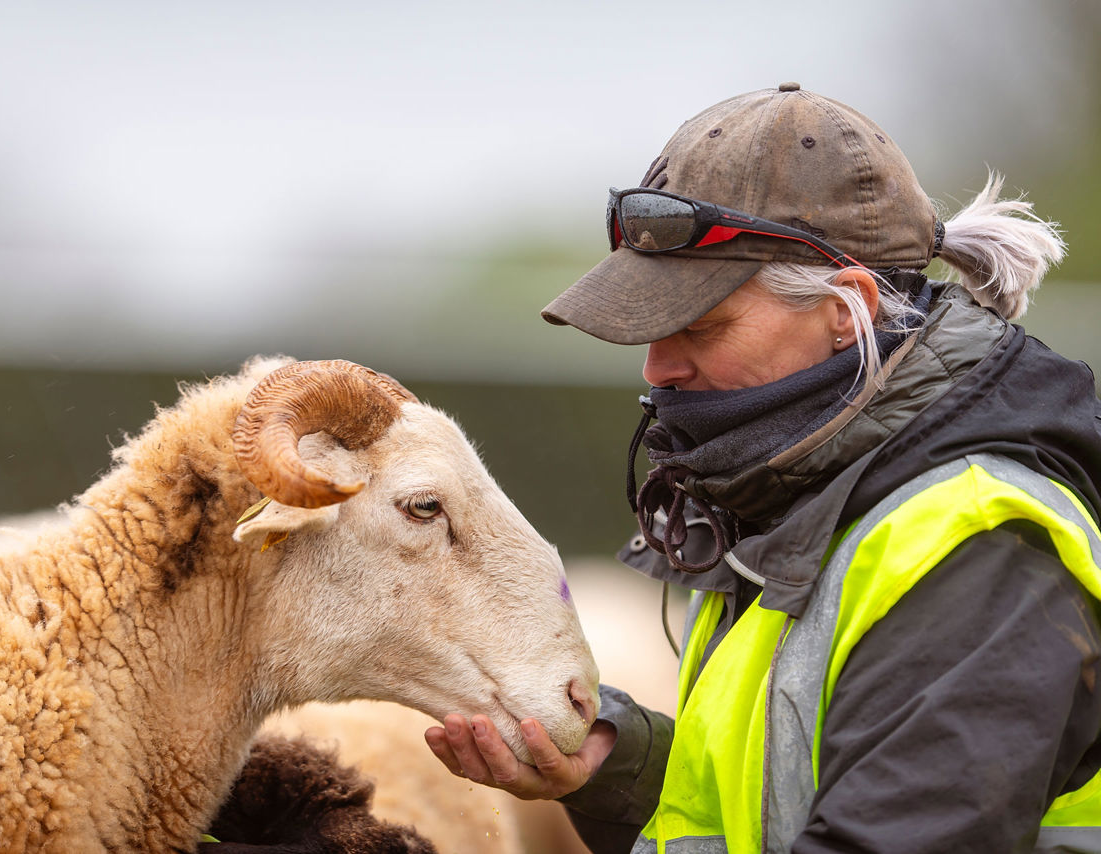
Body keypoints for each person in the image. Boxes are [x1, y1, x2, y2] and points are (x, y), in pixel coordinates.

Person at [424, 83, 1101, 853]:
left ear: (846, 311)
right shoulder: (784, 500)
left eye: (700, 326)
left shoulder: (975, 548)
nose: (657, 366)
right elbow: (773, 815)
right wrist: (616, 768)